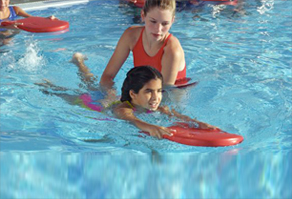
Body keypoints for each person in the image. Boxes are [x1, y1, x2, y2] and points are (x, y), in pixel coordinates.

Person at [37, 54, 217, 139]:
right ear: (133, 94)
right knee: (62, 92)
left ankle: (79, 62)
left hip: (110, 98)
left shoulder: (159, 107)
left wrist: (201, 124)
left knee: (93, 85)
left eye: (159, 91)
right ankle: (46, 83)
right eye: (149, 91)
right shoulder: (122, 109)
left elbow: (179, 116)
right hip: (90, 104)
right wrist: (150, 126)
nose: (156, 98)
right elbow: (133, 120)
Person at [73, 0, 186, 90]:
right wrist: (110, 95)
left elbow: (165, 94)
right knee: (95, 92)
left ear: (172, 21)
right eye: (153, 21)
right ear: (143, 15)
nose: (158, 29)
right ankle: (79, 63)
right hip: (145, 90)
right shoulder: (131, 36)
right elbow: (108, 76)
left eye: (165, 23)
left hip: (172, 92)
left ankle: (79, 62)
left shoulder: (171, 50)